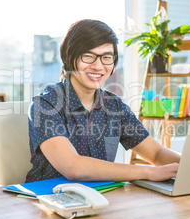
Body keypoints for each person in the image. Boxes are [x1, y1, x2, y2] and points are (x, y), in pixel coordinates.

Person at [26, 19, 180, 183]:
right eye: (88, 56)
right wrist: (148, 172)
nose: (99, 66)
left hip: (102, 198)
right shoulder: (45, 105)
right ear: (69, 58)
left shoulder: (114, 106)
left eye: (107, 57)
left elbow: (156, 153)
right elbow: (73, 167)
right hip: (49, 200)